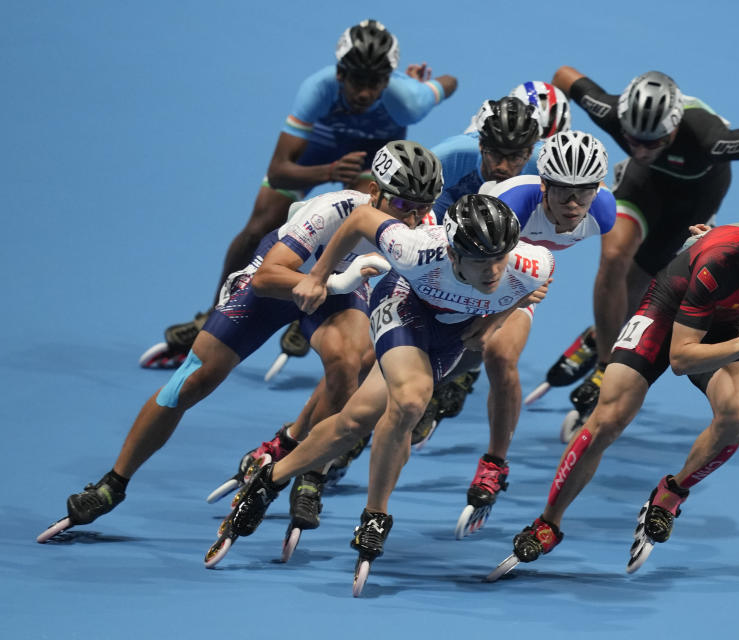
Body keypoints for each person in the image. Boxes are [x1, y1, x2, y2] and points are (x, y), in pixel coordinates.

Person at [38, 141, 444, 543]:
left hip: (339, 289)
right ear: (375, 192)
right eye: (404, 206)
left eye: (423, 207)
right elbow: (268, 276)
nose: (414, 218)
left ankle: (309, 474)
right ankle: (113, 482)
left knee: (349, 361)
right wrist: (328, 280)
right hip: (282, 280)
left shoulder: (422, 229)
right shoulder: (333, 210)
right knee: (192, 382)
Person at [207, 195, 553, 586]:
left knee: (354, 421)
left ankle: (268, 481)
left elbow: (535, 284)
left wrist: (495, 322)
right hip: (403, 303)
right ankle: (375, 516)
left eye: (499, 258)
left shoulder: (533, 264)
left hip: (453, 334)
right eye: (479, 260)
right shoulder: (415, 248)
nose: (492, 270)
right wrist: (318, 276)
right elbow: (360, 218)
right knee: (410, 400)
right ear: (453, 255)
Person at [494, 192, 739, 577]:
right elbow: (681, 360)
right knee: (609, 418)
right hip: (669, 309)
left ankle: (672, 493)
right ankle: (548, 522)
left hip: (728, 319)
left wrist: (716, 240)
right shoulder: (719, 264)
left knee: (738, 414)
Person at [143, 19, 456, 369]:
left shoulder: (407, 99)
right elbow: (279, 169)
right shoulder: (318, 88)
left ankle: (311, 304)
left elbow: (450, 82)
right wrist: (328, 171)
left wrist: (420, 86)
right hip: (321, 150)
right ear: (340, 74)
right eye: (357, 81)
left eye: (376, 83)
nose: (365, 93)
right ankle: (213, 310)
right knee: (260, 222)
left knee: (359, 215)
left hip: (371, 156)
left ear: (388, 79)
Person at [549, 67, 739, 438]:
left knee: (643, 289)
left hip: (697, 197)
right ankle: (606, 360)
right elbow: (563, 76)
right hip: (643, 185)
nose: (641, 150)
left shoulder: (711, 138)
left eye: (654, 142)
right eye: (633, 141)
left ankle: (601, 332)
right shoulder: (612, 111)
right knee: (614, 257)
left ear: (675, 129)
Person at [444, 130, 615, 537]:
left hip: (520, 278)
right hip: (468, 266)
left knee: (500, 355)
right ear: (544, 185)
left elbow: (622, 272)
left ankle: (493, 464)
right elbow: (473, 263)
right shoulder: (514, 202)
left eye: (584, 192)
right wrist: (484, 317)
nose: (574, 205)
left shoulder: (603, 212)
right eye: (563, 193)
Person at [412, 96, 543, 440]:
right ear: (481, 144)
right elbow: (408, 200)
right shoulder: (452, 155)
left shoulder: (543, 169)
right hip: (439, 240)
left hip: (496, 256)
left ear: (529, 153)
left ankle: (447, 382)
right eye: (495, 154)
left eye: (514, 157)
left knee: (477, 341)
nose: (503, 165)